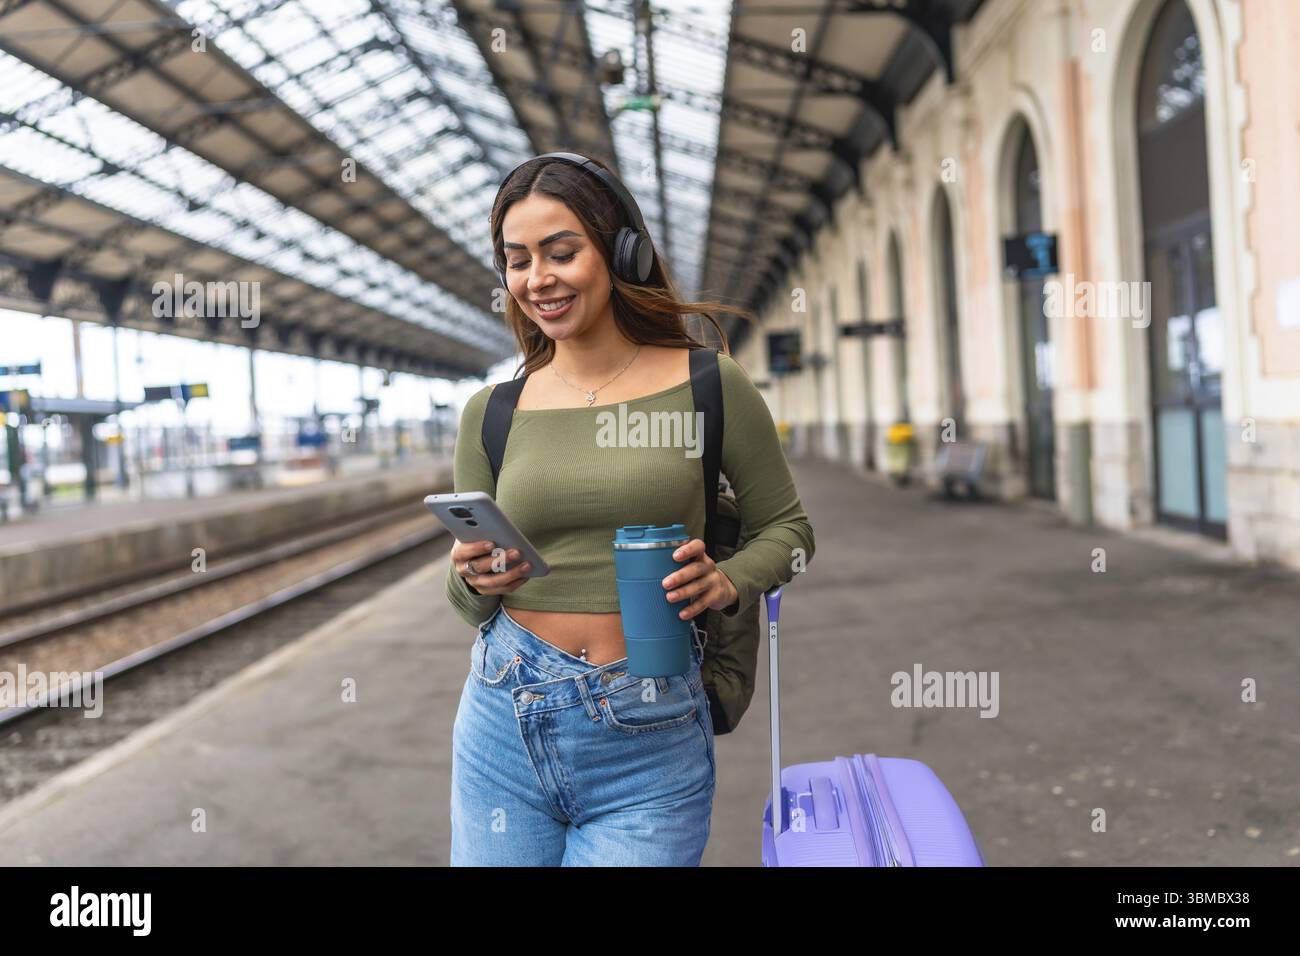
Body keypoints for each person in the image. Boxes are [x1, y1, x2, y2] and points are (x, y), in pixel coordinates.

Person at [446, 151, 815, 866]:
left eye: (561, 252)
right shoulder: (492, 412)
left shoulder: (709, 383)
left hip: (650, 725)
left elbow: (789, 529)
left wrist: (729, 580)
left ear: (622, 253)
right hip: (502, 714)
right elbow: (466, 602)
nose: (537, 279)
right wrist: (473, 578)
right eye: (517, 260)